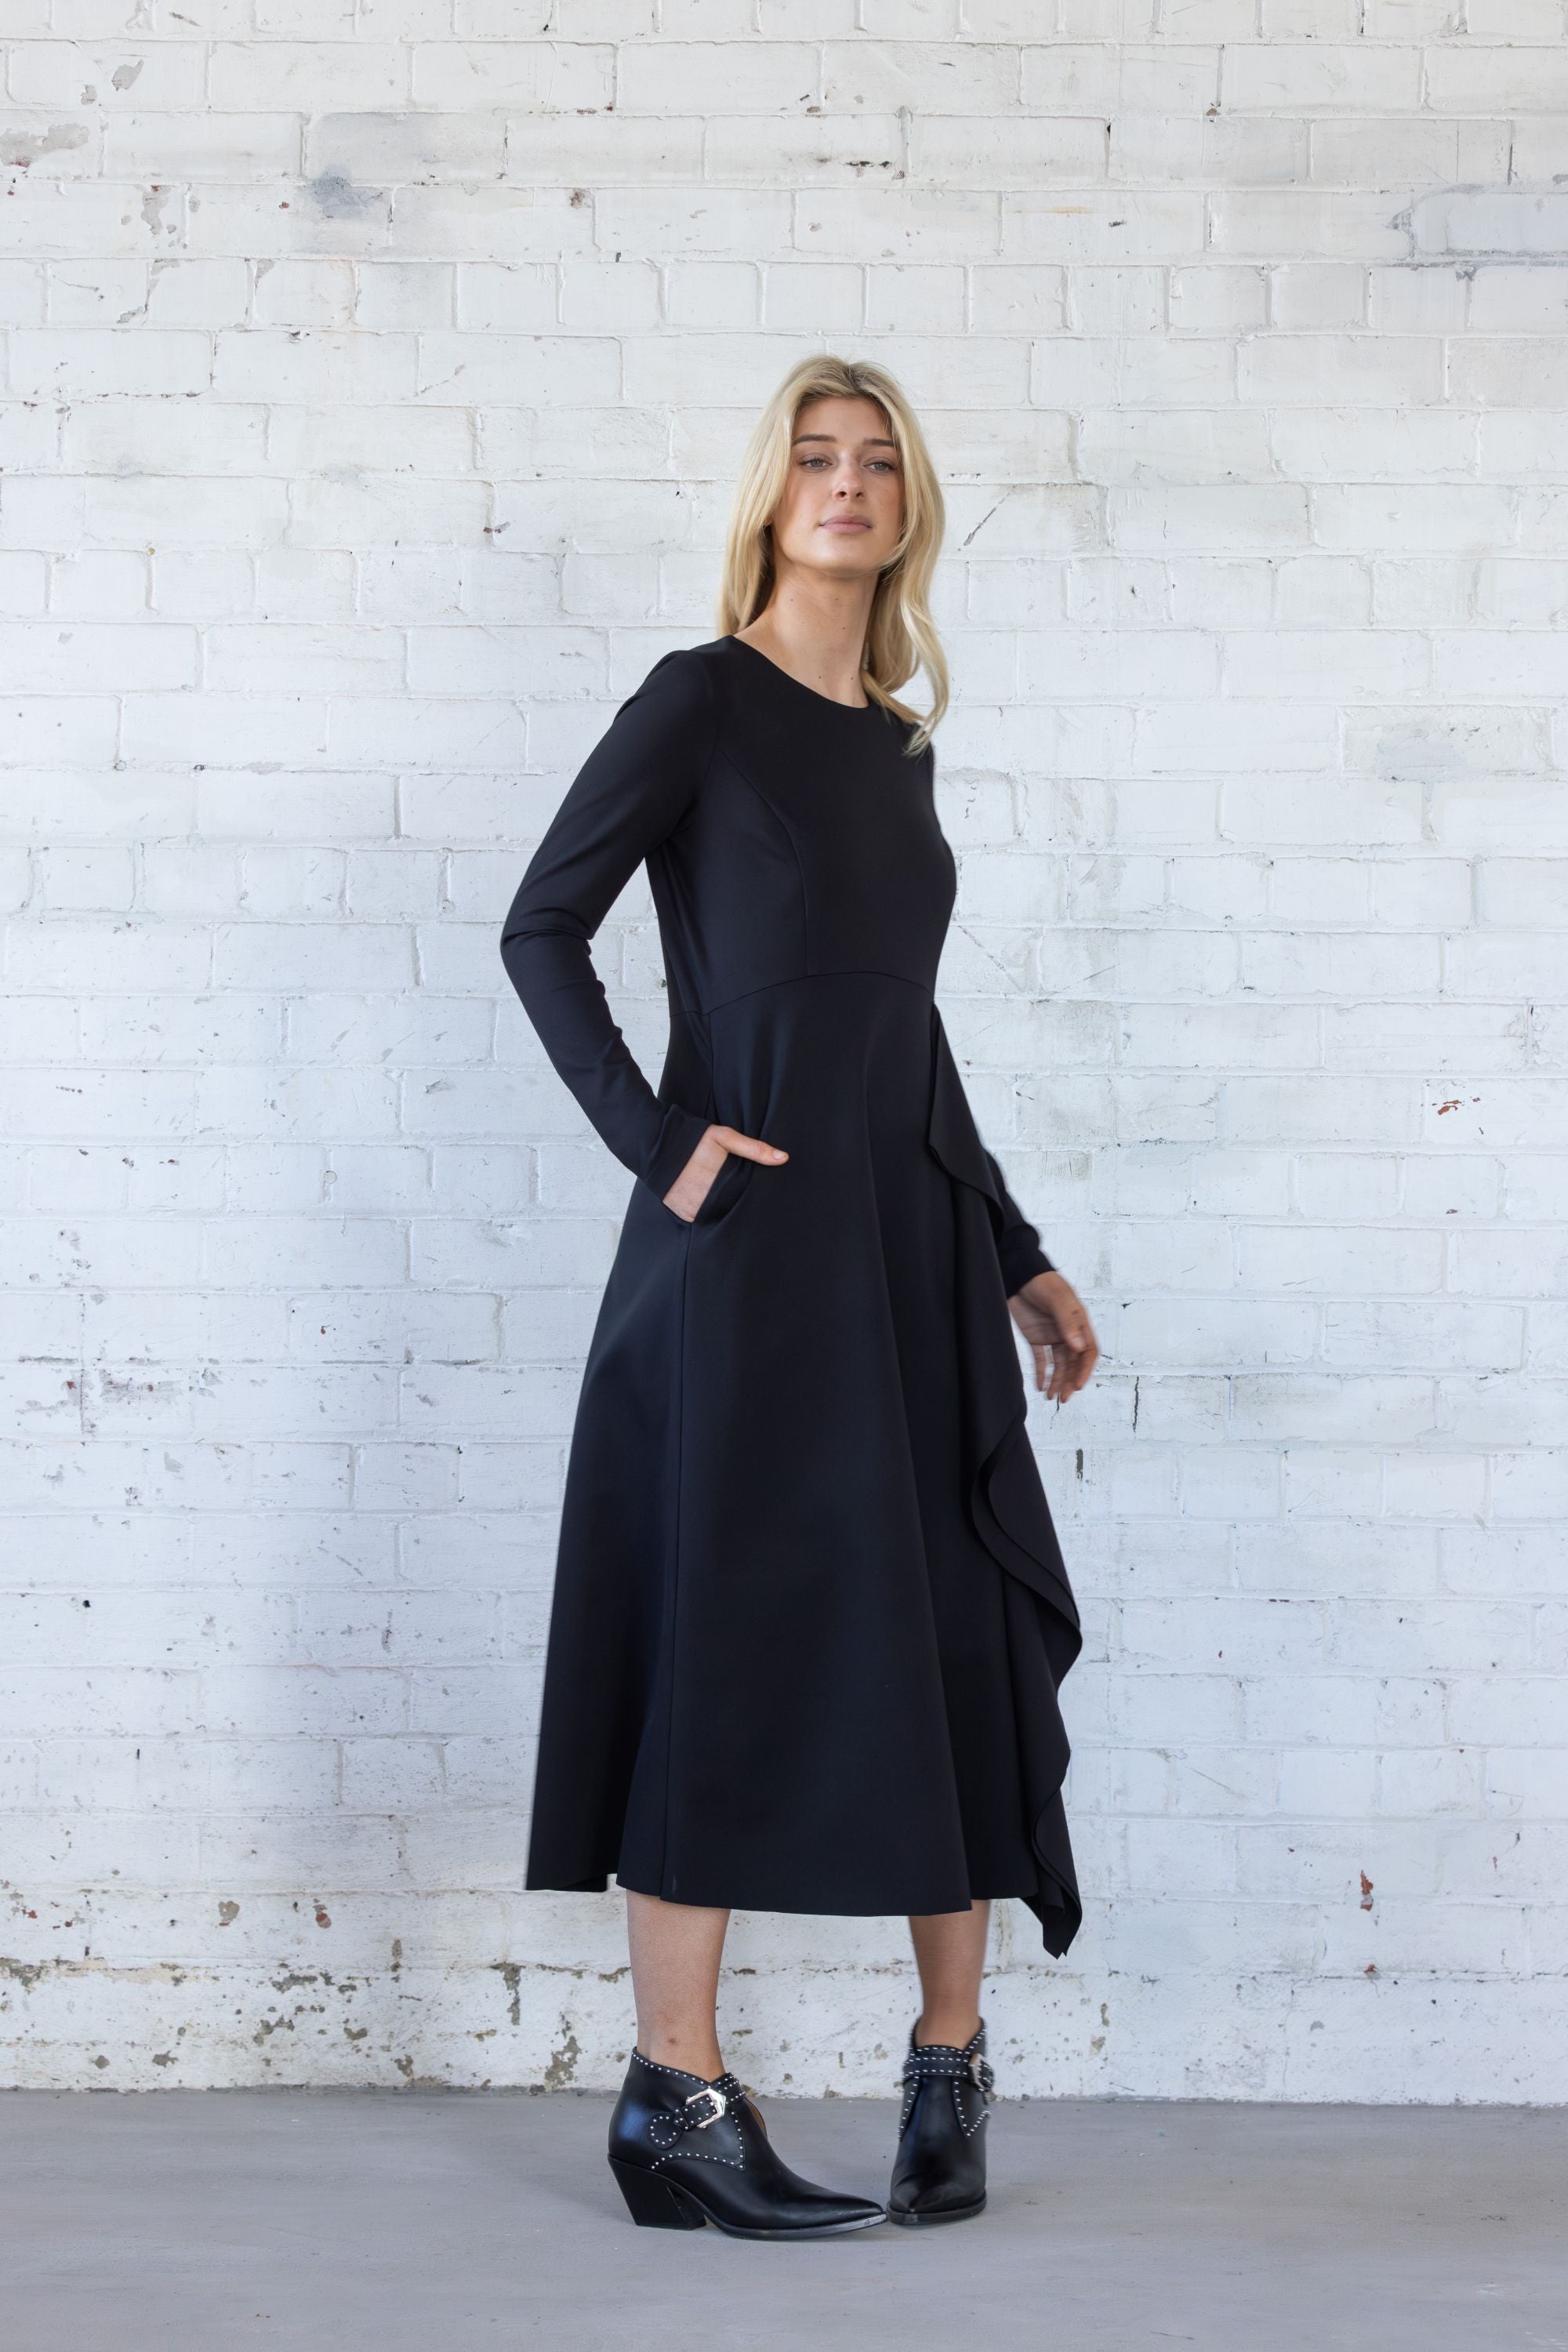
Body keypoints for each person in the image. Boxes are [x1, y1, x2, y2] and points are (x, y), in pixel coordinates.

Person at [499, 355, 1100, 2240]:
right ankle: (674, 2102)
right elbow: (539, 926)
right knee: (721, 1646)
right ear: (770, 495)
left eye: (879, 464)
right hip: (746, 1259)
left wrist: (1009, 1246)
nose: (845, 487)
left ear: (910, 505)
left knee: (954, 1622)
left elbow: (900, 1039)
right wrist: (662, 1144)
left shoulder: (896, 743)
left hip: (906, 1246)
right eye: (814, 461)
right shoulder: (699, 702)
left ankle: (947, 2074)